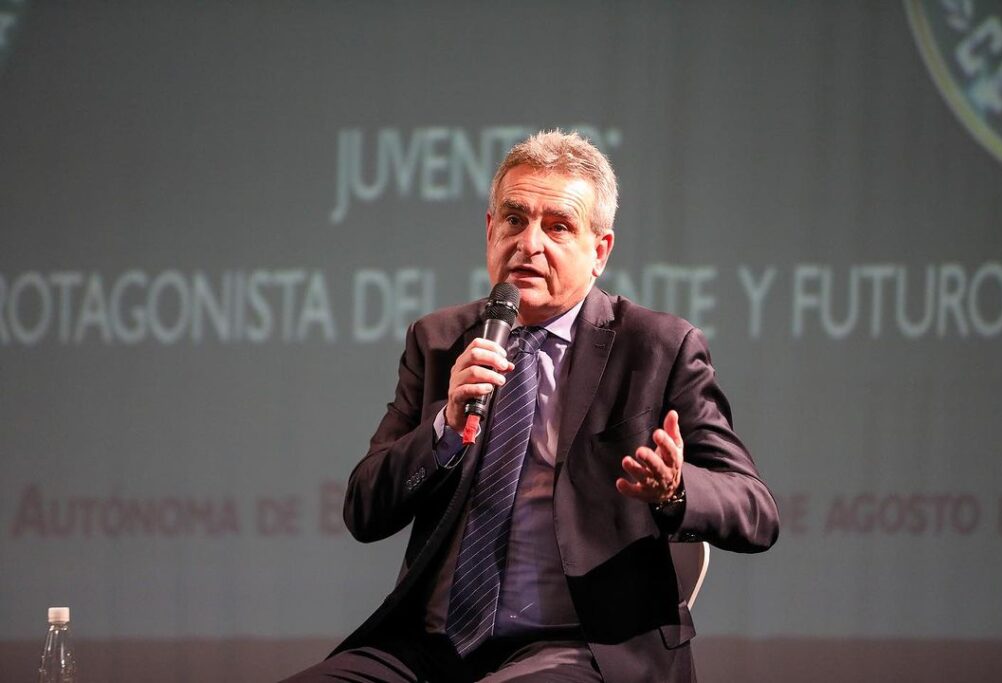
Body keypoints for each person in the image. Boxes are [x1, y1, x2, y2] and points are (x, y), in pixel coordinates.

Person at [284, 130, 779, 682]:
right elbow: (365, 510)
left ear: (600, 251)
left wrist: (675, 489)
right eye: (514, 220)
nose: (529, 243)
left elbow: (756, 511)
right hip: (429, 646)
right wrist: (446, 426)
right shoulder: (440, 340)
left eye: (558, 226)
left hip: (579, 646)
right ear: (490, 230)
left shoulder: (657, 347)